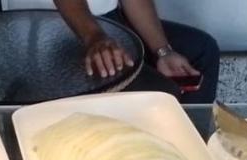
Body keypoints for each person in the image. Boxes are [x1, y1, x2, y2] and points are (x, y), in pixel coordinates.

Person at [52, 0, 220, 104]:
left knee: (201, 50)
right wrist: (95, 37)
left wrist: (163, 51)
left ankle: (188, 141)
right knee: (122, 76)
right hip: (56, 23)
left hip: (110, 19)